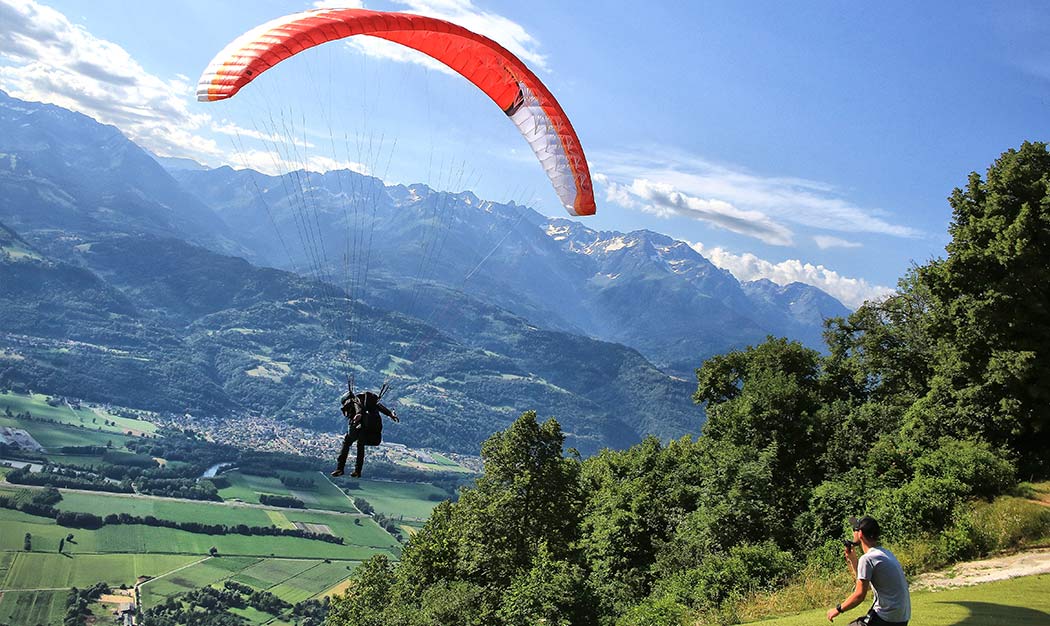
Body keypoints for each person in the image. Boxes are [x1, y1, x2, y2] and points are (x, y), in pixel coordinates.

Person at [827, 516, 911, 625]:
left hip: (886, 617)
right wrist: (853, 561)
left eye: (855, 530)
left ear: (860, 534)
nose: (853, 533)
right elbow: (866, 584)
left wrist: (837, 609)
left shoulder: (867, 559)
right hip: (902, 617)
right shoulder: (885, 553)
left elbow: (859, 595)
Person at [331, 388, 398, 478]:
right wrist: (390, 414)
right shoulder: (370, 403)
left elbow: (357, 407)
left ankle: (340, 469)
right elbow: (379, 406)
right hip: (370, 431)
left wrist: (358, 414)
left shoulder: (354, 400)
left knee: (346, 442)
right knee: (360, 446)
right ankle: (357, 471)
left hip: (360, 427)